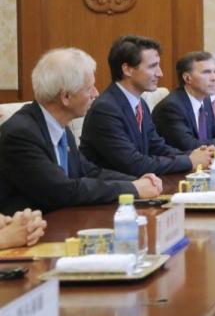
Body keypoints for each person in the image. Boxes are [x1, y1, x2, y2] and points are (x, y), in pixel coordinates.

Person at [0, 48, 161, 214]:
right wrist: (132, 188)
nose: (96, 94)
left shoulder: (59, 126)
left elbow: (89, 171)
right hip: (28, 231)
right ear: (66, 97)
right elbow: (62, 191)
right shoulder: (20, 134)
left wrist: (139, 181)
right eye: (89, 89)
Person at [81, 35, 214, 176]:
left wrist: (195, 155)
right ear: (127, 69)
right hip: (116, 191)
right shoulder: (105, 109)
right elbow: (134, 164)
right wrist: (189, 161)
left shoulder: (140, 103)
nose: (160, 73)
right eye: (152, 67)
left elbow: (156, 146)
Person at [153, 52, 215, 152]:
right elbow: (190, 145)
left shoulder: (207, 101)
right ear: (187, 78)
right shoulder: (171, 107)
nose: (214, 78)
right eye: (207, 72)